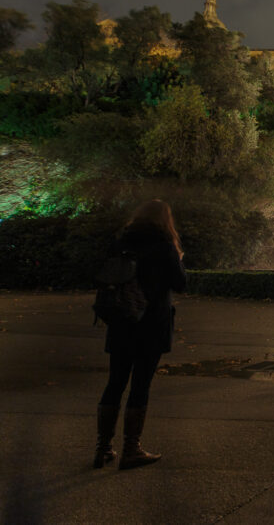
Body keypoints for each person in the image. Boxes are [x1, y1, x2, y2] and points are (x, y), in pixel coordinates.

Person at [95, 200, 186, 470]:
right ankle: (131, 448)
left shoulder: (120, 241)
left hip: (121, 320)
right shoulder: (164, 246)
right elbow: (180, 284)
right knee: (140, 385)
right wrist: (178, 261)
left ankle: (102, 448)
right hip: (151, 323)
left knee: (115, 381)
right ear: (165, 220)